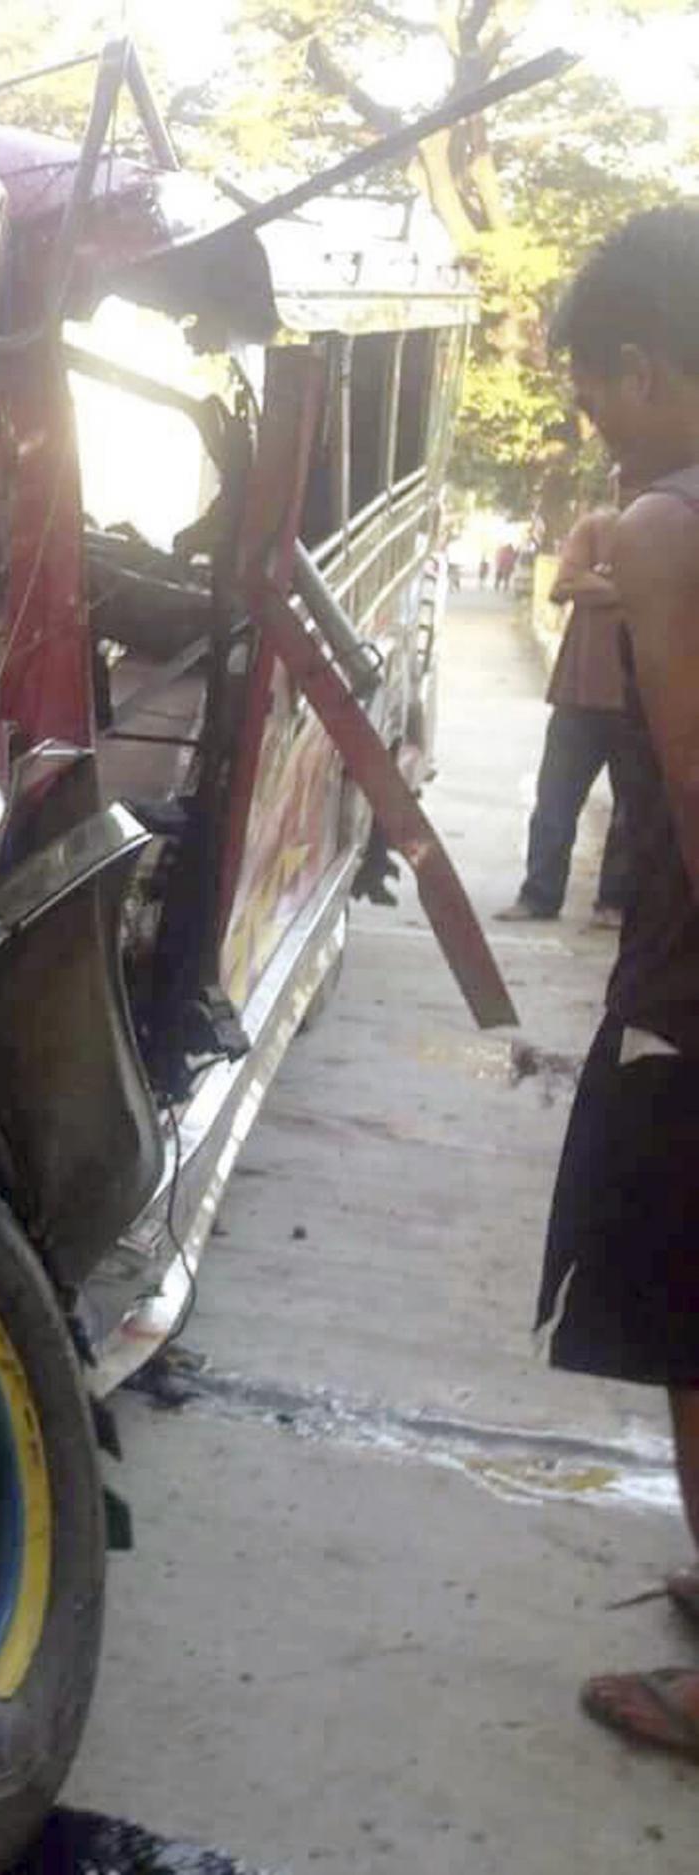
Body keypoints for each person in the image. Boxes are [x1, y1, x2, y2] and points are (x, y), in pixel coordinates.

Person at [530, 205, 699, 1764]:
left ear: (643, 365)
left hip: (695, 998)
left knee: (689, 1320)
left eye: (592, 395)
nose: (598, 429)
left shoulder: (665, 523)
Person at [496, 486, 634, 926]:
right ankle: (539, 896)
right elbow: (566, 583)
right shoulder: (598, 526)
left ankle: (613, 903)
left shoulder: (671, 529)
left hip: (639, 702)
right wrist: (630, 589)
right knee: (555, 802)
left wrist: (604, 582)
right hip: (580, 696)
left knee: (632, 810)